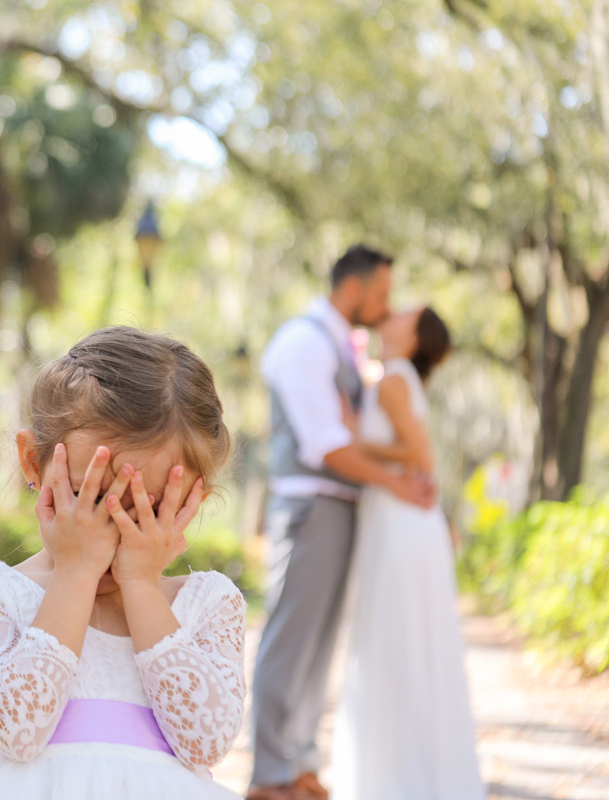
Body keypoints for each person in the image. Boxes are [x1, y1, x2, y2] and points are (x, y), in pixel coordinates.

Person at [0, 326, 246, 800]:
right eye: (90, 497)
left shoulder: (208, 603)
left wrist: (139, 582)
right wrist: (75, 575)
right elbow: (18, 731)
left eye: (145, 507)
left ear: (193, 499)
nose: (111, 529)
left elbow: (204, 743)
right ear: (32, 463)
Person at [249, 245, 435, 800]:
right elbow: (326, 445)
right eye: (381, 295)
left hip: (338, 508)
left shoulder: (340, 347)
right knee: (290, 637)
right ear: (353, 289)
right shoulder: (304, 342)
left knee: (318, 641)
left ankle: (299, 758)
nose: (386, 306)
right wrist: (400, 483)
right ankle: (270, 773)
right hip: (309, 507)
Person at [332, 307, 485, 800]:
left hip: (401, 522)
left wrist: (359, 440)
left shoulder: (395, 379)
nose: (391, 314)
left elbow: (422, 455)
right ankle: (407, 771)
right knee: (403, 641)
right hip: (396, 518)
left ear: (415, 337)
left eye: (404, 314)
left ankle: (403, 778)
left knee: (397, 640)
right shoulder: (393, 378)